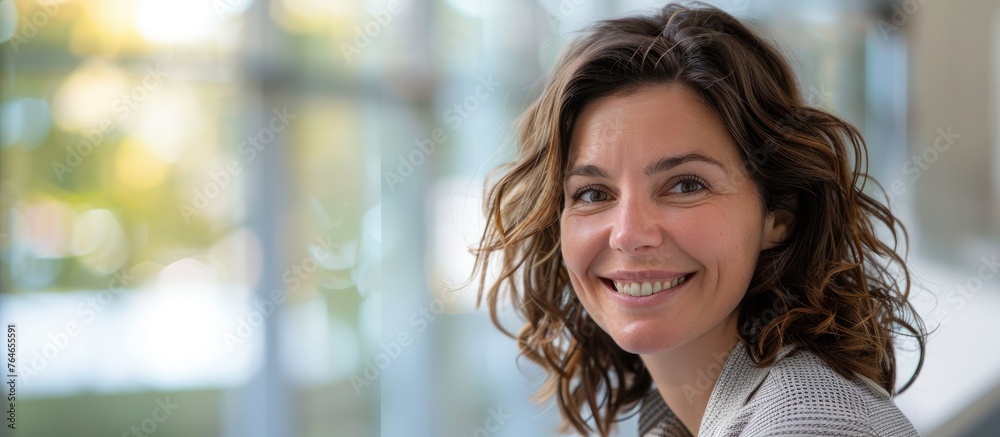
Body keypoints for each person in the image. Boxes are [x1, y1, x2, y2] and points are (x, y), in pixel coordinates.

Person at [471, 2, 927, 436]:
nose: (629, 234)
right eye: (593, 193)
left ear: (780, 215)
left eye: (686, 185)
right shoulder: (692, 409)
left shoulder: (809, 425)